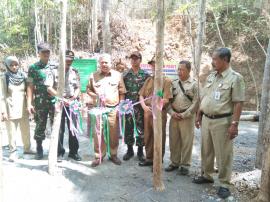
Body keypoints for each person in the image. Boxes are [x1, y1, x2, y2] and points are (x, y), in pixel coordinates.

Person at [193, 48, 245, 199]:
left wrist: (234, 124)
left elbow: (238, 104)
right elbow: (205, 98)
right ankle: (207, 175)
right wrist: (199, 114)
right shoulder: (211, 77)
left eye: (215, 59)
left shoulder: (235, 78)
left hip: (223, 121)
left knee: (224, 154)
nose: (212, 61)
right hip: (206, 119)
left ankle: (224, 184)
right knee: (206, 150)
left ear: (225, 60)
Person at [87, 53, 126, 167]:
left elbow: (122, 92)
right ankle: (99, 156)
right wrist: (95, 96)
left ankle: (113, 155)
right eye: (102, 62)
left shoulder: (117, 75)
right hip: (98, 109)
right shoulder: (93, 75)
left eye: (106, 62)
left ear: (111, 63)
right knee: (98, 133)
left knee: (113, 133)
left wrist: (120, 106)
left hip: (113, 109)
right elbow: (88, 89)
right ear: (99, 63)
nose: (104, 64)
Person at [45, 50, 82, 161]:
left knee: (73, 129)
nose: (68, 62)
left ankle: (74, 152)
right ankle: (59, 152)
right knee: (59, 129)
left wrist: (74, 97)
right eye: (66, 59)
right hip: (59, 103)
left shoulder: (74, 71)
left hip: (72, 103)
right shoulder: (53, 71)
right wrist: (61, 98)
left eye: (70, 60)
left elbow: (78, 87)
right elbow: (49, 88)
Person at [165, 60, 198, 175]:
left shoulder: (195, 84)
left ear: (189, 70)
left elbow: (196, 103)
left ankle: (185, 165)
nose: (179, 72)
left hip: (187, 118)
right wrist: (171, 112)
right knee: (174, 141)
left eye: (182, 70)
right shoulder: (173, 83)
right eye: (178, 69)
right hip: (174, 116)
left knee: (186, 142)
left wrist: (184, 115)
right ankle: (174, 162)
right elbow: (168, 100)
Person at [138, 60, 172, 166]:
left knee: (158, 136)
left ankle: (157, 161)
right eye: (152, 66)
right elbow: (141, 95)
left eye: (156, 66)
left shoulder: (166, 81)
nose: (154, 68)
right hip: (147, 112)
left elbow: (167, 99)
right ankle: (149, 158)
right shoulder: (149, 80)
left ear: (162, 66)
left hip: (159, 113)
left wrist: (156, 106)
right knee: (148, 135)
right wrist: (144, 106)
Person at [0, 56, 34, 162]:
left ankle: (27, 148)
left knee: (26, 130)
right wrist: (3, 111)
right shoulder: (4, 77)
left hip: (23, 107)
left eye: (16, 64)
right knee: (11, 132)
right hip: (11, 109)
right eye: (11, 65)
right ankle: (13, 152)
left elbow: (30, 88)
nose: (14, 67)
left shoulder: (23, 76)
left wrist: (30, 104)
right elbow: (2, 96)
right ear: (7, 65)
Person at [27, 42, 56, 160]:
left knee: (56, 125)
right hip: (40, 102)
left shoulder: (55, 67)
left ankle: (56, 149)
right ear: (38, 53)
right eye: (43, 51)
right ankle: (39, 148)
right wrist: (29, 103)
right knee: (40, 125)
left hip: (54, 101)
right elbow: (29, 86)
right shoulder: (33, 68)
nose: (46, 54)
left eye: (48, 51)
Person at [122, 51, 150, 161]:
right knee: (128, 128)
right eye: (132, 58)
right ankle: (129, 150)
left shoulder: (146, 75)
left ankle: (140, 151)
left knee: (140, 128)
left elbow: (148, 91)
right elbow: (122, 91)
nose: (134, 60)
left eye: (136, 58)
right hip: (128, 107)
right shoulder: (125, 75)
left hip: (140, 107)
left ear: (140, 60)